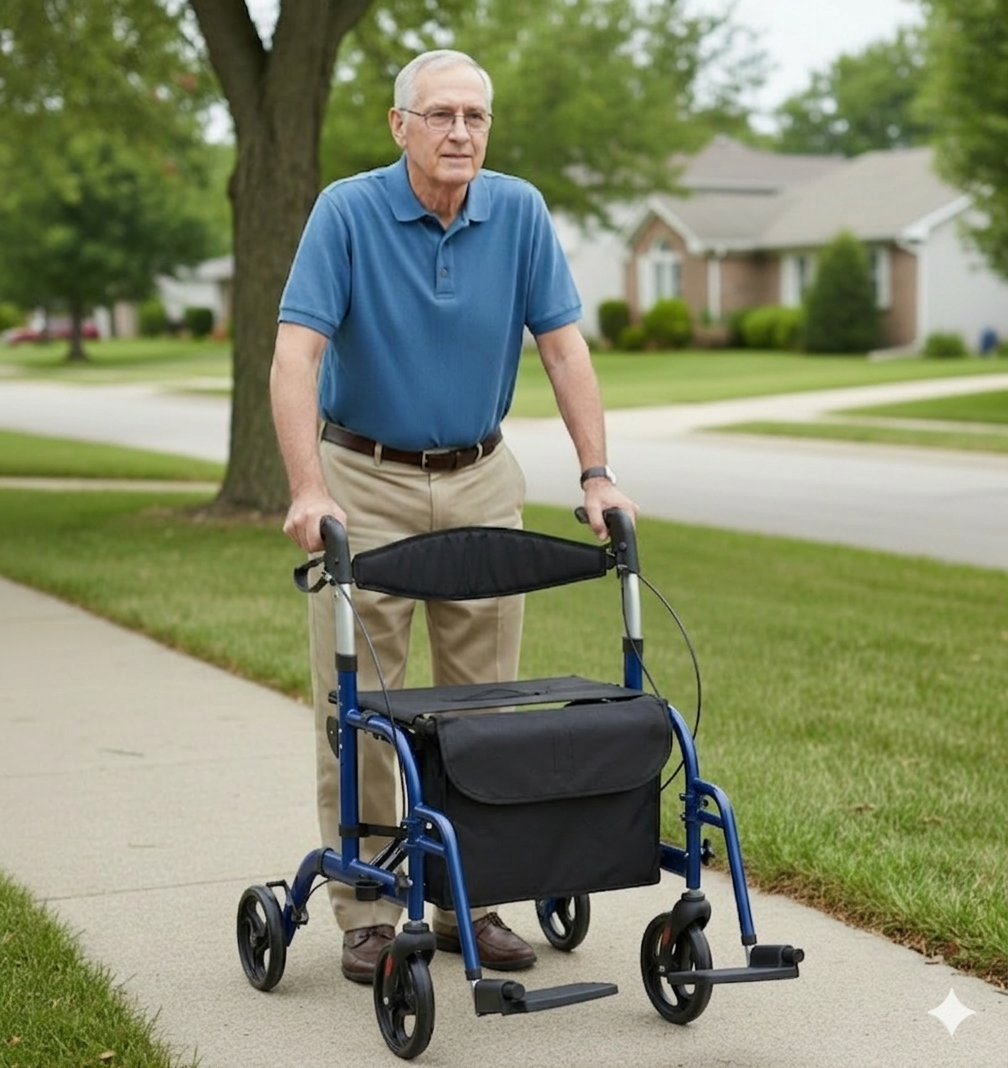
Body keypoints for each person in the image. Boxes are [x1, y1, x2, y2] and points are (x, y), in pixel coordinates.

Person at [270, 48, 638, 985]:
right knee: (361, 710)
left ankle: (470, 896)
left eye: (474, 116)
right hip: (366, 480)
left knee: (484, 711)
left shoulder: (517, 211)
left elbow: (563, 349)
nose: (459, 133)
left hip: (480, 477)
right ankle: (366, 907)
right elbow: (296, 357)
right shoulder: (347, 212)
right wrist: (309, 490)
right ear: (400, 126)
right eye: (439, 115)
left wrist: (597, 473)